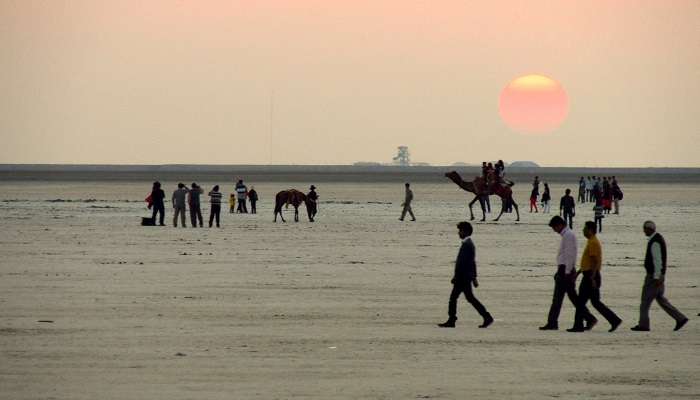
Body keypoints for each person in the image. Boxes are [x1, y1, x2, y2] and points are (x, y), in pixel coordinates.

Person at [540, 216, 596, 330]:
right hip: (565, 270)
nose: (554, 230)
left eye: (554, 227)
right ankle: (588, 318)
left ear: (560, 225)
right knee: (569, 297)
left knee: (562, 298)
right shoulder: (567, 235)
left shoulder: (568, 235)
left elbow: (570, 255)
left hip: (565, 270)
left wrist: (567, 272)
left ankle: (553, 322)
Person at [630, 221, 689, 332]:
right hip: (658, 276)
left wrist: (657, 276)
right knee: (661, 300)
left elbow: (657, 261)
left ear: (649, 229)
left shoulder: (655, 242)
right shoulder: (657, 239)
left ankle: (644, 325)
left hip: (653, 277)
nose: (644, 231)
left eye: (645, 229)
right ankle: (680, 318)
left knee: (645, 301)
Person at [567, 221, 622, 332]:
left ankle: (578, 325)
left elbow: (594, 261)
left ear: (590, 230)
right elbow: (588, 262)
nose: (583, 231)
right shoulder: (591, 241)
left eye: (585, 229)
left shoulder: (593, 243)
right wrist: (579, 273)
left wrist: (592, 277)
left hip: (590, 276)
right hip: (590, 275)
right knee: (595, 302)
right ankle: (614, 320)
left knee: (581, 302)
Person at [438, 221, 494, 328]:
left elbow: (466, 263)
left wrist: (458, 277)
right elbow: (471, 263)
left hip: (463, 278)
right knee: (469, 298)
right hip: (465, 277)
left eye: (460, 231)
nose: (459, 233)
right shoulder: (468, 244)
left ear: (466, 232)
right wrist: (473, 278)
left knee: (454, 298)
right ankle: (486, 317)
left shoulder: (468, 245)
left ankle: (452, 320)